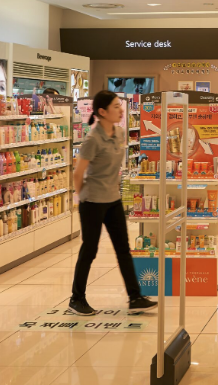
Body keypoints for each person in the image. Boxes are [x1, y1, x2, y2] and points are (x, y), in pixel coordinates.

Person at [70, 90, 157, 316]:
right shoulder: (92, 139)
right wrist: (83, 199)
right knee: (89, 250)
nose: (120, 110)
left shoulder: (118, 133)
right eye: (116, 106)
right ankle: (76, 299)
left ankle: (135, 297)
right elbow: (78, 173)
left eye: (120, 106)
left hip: (113, 200)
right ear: (102, 112)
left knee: (123, 250)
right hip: (92, 202)